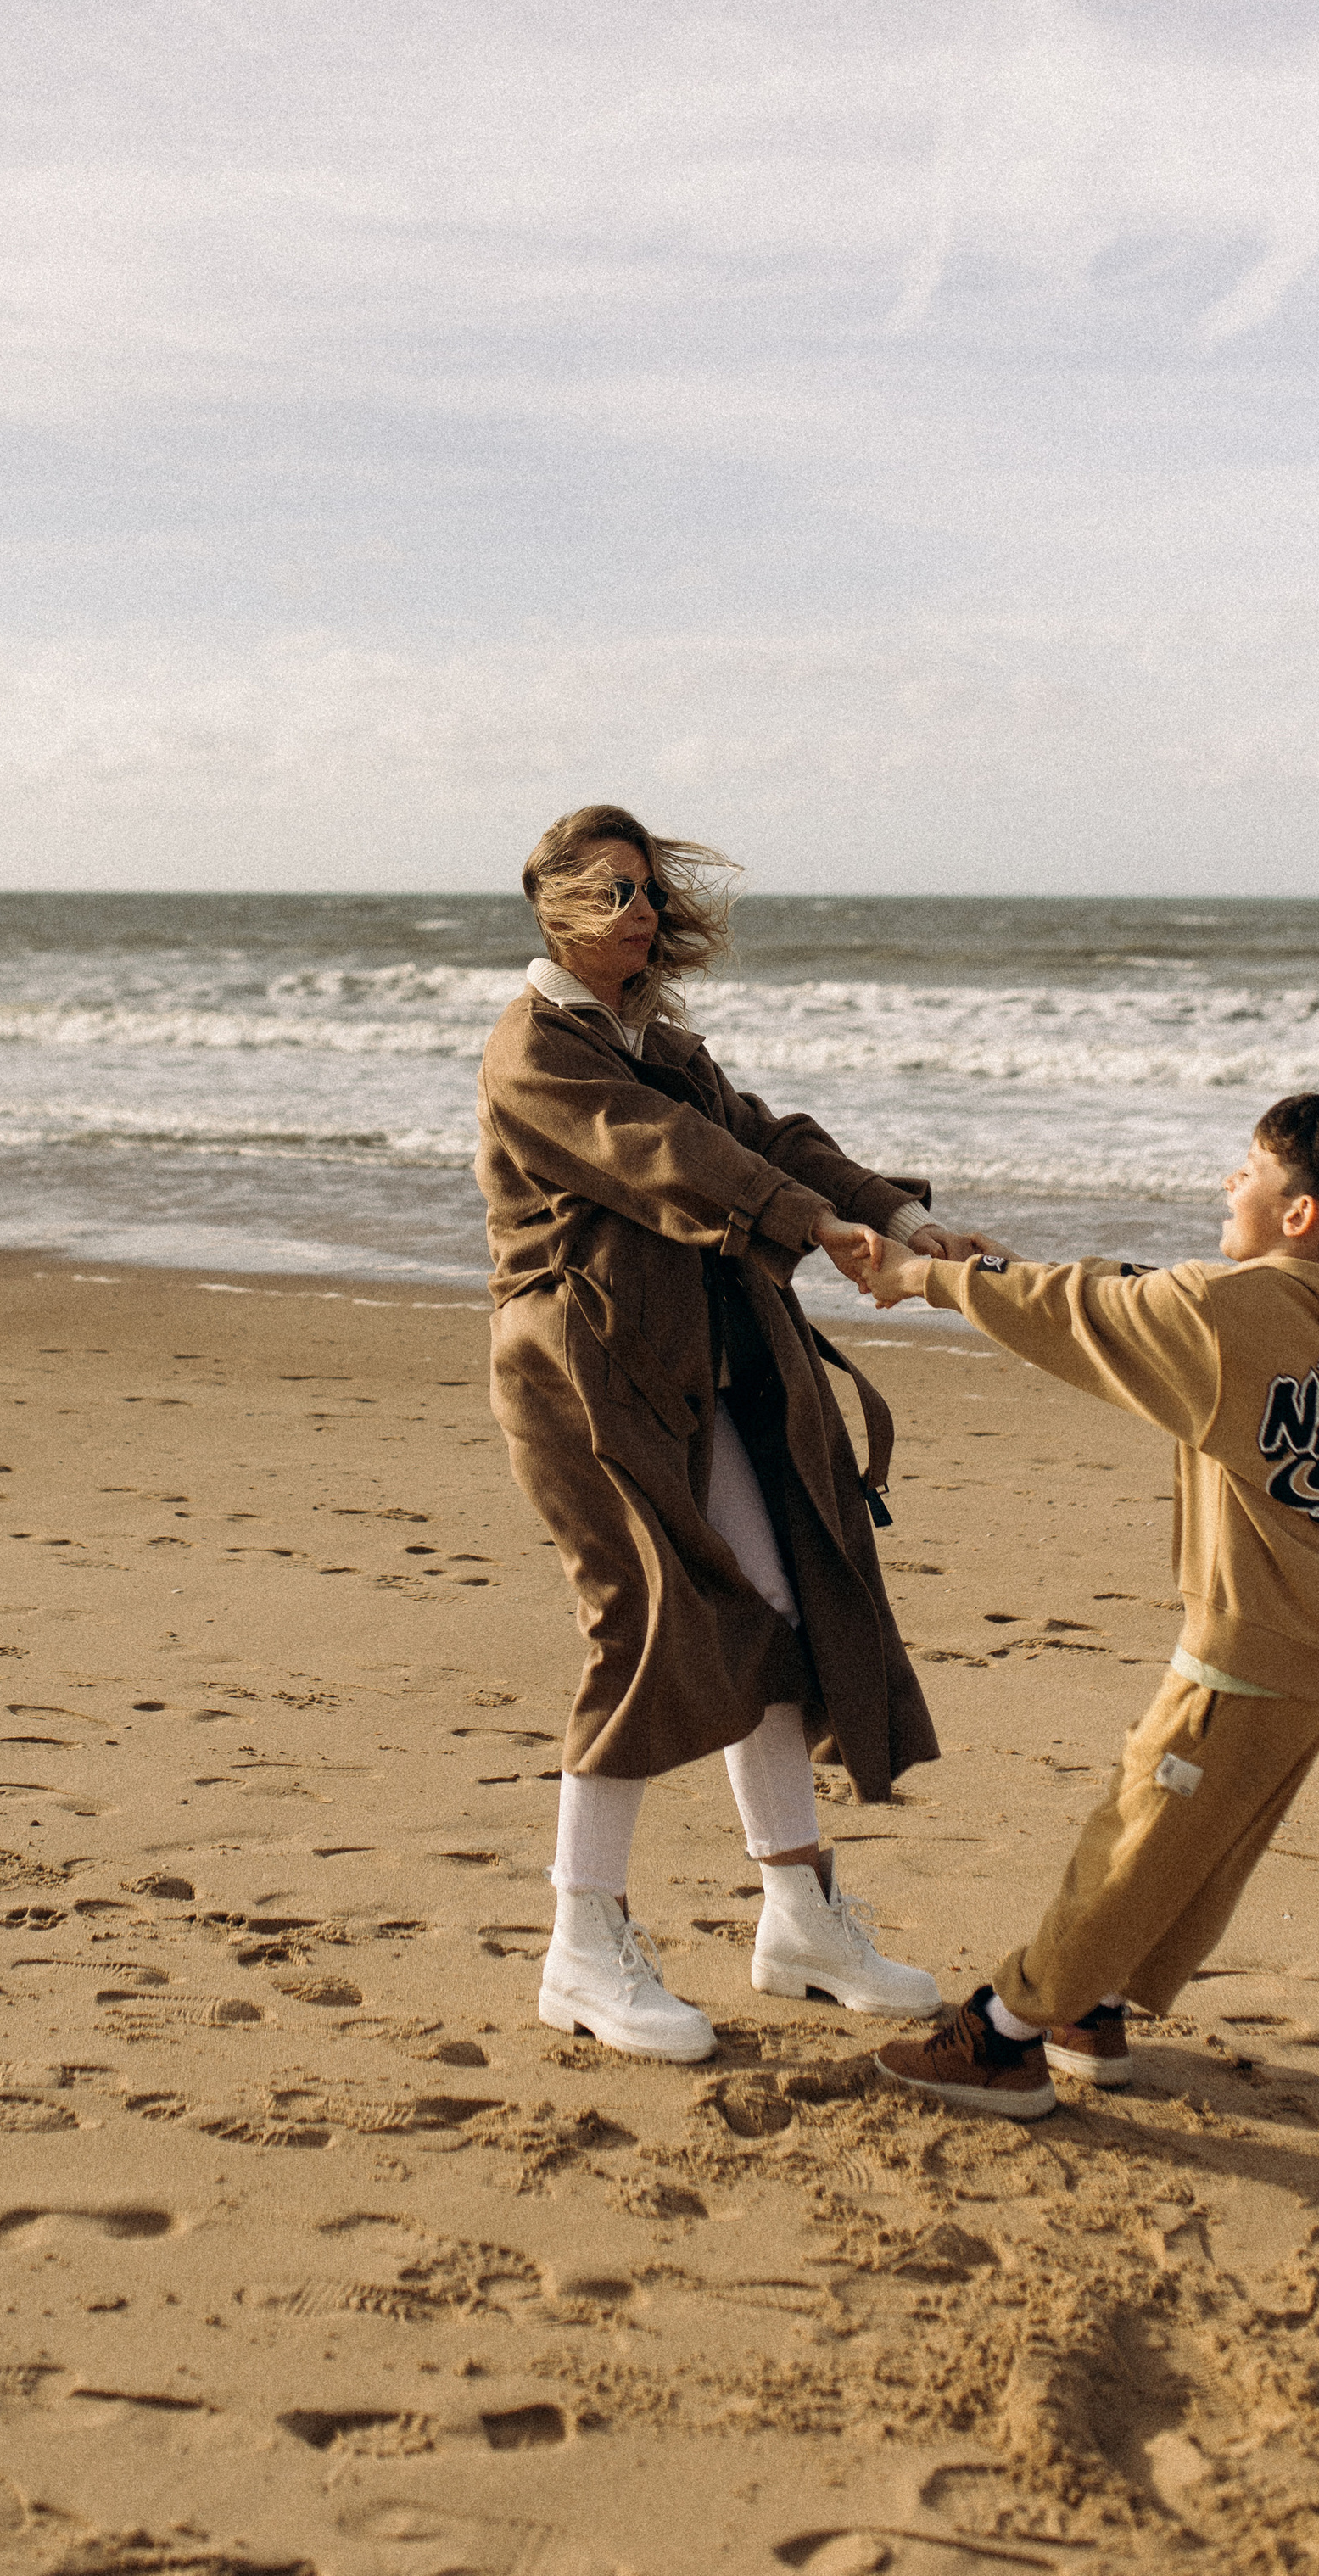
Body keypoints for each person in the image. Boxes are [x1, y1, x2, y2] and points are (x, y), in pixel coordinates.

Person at [475, 804, 998, 2065]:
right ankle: (580, 1949)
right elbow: (670, 1156)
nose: (638, 911)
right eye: (609, 893)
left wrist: (890, 1216)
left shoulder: (656, 1036)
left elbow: (762, 1134)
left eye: (647, 890)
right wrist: (817, 1230)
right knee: (643, 1626)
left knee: (777, 1615)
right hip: (587, 1378)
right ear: (549, 906)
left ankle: (800, 1918)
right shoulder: (537, 1050)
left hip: (698, 1374)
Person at [835, 1081, 1319, 2118]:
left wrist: (928, 1279)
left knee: (1137, 1829)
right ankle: (1096, 2007)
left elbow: (1081, 1311)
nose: (1226, 1180)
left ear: (1298, 1213)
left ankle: (1009, 2033)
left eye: (1245, 1171)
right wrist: (962, 1267)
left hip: (1250, 1640)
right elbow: (1132, 1292)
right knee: (1201, 1842)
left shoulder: (1229, 1307)